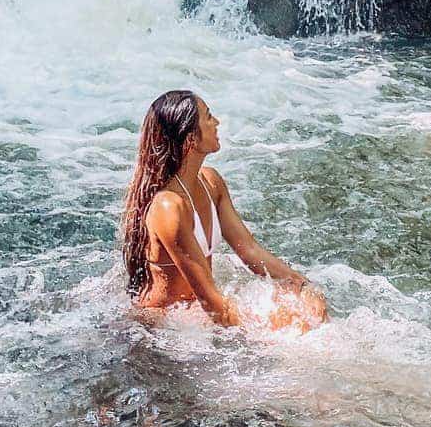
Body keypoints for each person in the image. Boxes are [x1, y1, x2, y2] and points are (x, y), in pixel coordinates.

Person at [120, 89, 327, 328]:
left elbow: (249, 250)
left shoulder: (210, 182)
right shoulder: (169, 207)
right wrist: (273, 325)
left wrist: (302, 285)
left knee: (308, 308)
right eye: (208, 117)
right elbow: (215, 308)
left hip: (195, 314)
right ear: (190, 139)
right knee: (298, 325)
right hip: (162, 328)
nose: (217, 123)